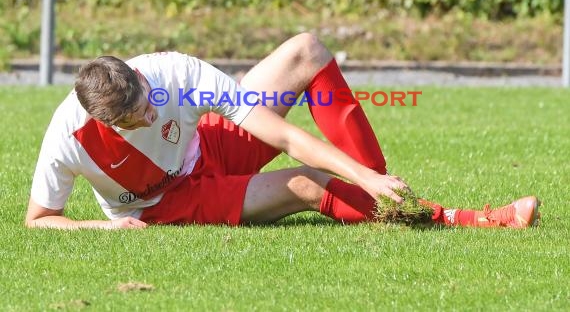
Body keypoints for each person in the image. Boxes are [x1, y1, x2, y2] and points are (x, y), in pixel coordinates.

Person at [25, 33, 540, 229]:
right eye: (132, 120)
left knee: (305, 51)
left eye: (146, 103)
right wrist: (107, 228)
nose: (149, 118)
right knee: (308, 184)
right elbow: (41, 219)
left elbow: (283, 134)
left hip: (209, 146)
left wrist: (365, 174)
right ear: (102, 121)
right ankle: (467, 219)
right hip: (166, 203)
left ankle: (381, 195)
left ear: (140, 77)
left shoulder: (172, 72)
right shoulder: (66, 137)